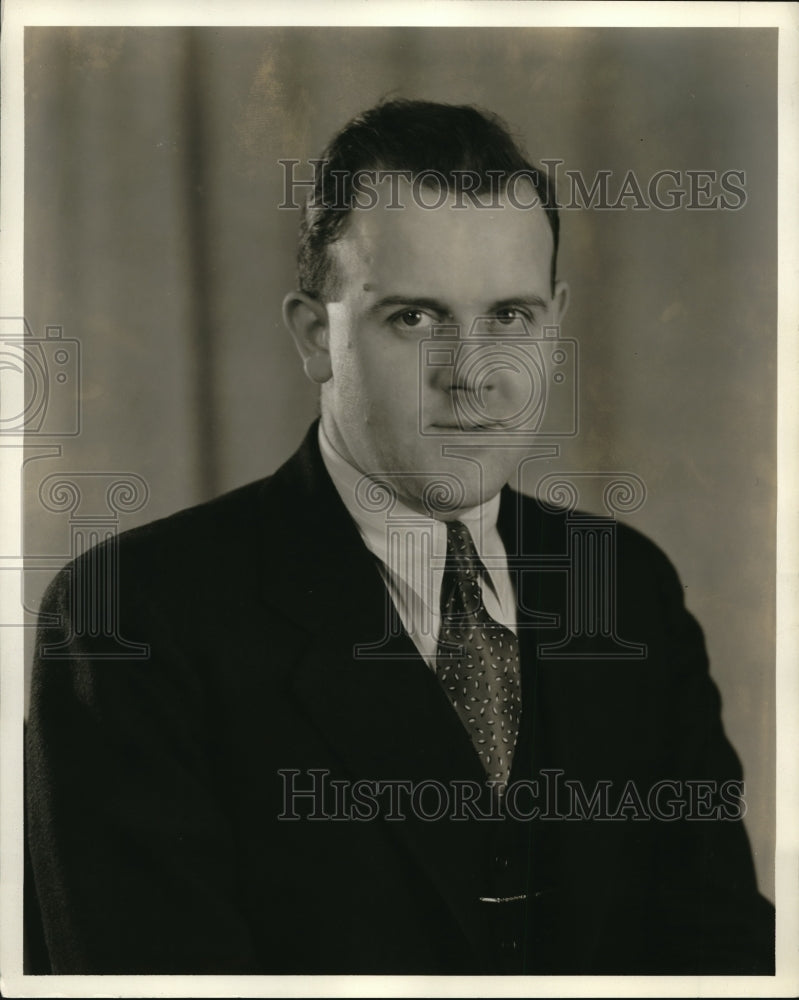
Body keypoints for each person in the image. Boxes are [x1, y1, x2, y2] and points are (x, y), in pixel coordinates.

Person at [25, 99, 774, 976]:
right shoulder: (131, 618)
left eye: (510, 317)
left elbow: (723, 952)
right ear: (316, 337)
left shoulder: (626, 586)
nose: (472, 376)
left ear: (554, 321)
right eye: (414, 318)